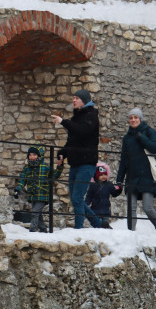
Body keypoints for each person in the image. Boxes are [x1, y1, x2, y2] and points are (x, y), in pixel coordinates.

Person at [51, 88, 100, 229]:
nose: (73, 100)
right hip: (75, 163)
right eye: (73, 98)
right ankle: (97, 224)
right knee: (75, 199)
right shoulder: (77, 117)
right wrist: (62, 154)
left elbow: (82, 132)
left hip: (86, 163)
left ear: (84, 100)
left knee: (78, 198)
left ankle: (79, 230)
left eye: (76, 98)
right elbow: (72, 140)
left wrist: (63, 122)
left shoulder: (91, 115)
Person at [115, 107, 156, 236]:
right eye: (131, 118)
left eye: (135, 117)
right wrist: (119, 180)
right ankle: (130, 234)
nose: (133, 120)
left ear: (140, 119)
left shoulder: (149, 132)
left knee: (148, 207)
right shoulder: (127, 138)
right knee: (131, 209)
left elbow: (155, 148)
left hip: (147, 176)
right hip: (132, 177)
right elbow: (124, 160)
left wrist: (141, 138)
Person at [15, 144, 63, 232]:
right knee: (38, 213)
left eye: (34, 155)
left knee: (35, 212)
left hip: (42, 194)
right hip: (32, 194)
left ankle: (32, 230)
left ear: (39, 156)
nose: (32, 157)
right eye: (30, 155)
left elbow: (55, 176)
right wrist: (18, 189)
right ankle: (43, 229)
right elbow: (23, 179)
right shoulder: (27, 168)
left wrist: (59, 166)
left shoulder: (45, 167)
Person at [86, 162, 121, 228]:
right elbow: (89, 196)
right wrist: (85, 204)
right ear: (96, 176)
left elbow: (114, 193)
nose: (104, 176)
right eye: (101, 175)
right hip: (95, 209)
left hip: (105, 209)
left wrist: (119, 190)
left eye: (105, 174)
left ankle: (107, 230)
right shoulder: (93, 185)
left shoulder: (109, 184)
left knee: (105, 223)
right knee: (98, 225)